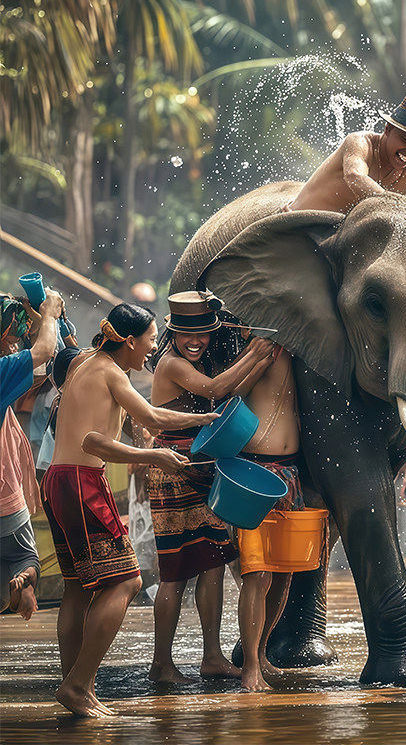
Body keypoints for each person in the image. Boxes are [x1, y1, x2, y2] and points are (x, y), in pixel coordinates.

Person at [40, 303, 219, 718]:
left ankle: (76, 688)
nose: (153, 351)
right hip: (83, 483)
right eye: (152, 341)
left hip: (58, 480)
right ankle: (79, 684)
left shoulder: (87, 361)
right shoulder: (112, 373)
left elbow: (152, 420)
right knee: (127, 583)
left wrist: (203, 419)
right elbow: (107, 436)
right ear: (130, 340)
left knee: (77, 587)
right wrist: (156, 456)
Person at [147, 292, 274, 684]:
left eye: (202, 333)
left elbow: (230, 396)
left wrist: (264, 357)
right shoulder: (171, 364)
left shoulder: (196, 363)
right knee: (174, 573)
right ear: (173, 334)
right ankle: (162, 664)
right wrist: (255, 351)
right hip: (173, 471)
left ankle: (212, 657)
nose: (195, 341)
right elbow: (218, 390)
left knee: (214, 564)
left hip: (201, 471)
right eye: (187, 334)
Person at [236, 328, 304, 692]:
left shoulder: (303, 349)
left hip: (291, 471)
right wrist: (255, 357)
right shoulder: (259, 347)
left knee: (283, 573)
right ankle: (249, 668)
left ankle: (261, 653)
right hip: (257, 472)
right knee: (257, 574)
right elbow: (230, 394)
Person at [0, 289, 63, 620]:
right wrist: (49, 313)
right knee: (26, 557)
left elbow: (38, 371)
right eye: (11, 335)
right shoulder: (0, 371)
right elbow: (43, 353)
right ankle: (24, 582)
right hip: (4, 499)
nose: (15, 344)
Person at [288, 94, 406, 214]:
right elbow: (354, 176)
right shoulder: (360, 143)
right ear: (388, 129)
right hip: (299, 225)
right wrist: (397, 206)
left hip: (344, 244)